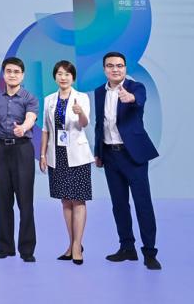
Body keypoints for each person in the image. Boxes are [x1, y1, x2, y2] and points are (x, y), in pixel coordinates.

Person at [94, 51, 161, 270]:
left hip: (133, 155)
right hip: (110, 155)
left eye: (119, 66)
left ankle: (149, 252)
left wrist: (130, 98)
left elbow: (138, 100)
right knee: (119, 205)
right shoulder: (99, 92)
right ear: (104, 69)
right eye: (110, 66)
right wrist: (98, 152)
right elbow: (99, 124)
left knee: (143, 204)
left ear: (125, 68)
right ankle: (127, 248)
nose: (115, 69)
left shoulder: (136, 87)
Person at [0, 56, 39, 262]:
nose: (12, 75)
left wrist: (22, 128)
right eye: (9, 71)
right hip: (1, 150)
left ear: (22, 75)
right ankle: (5, 247)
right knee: (3, 200)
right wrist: (4, 136)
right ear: (3, 74)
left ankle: (27, 250)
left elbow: (31, 118)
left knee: (25, 201)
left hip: (22, 150)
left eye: (16, 72)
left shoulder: (29, 98)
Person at [40, 60, 92, 265]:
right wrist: (42, 155)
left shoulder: (82, 97)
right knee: (65, 201)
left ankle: (78, 246)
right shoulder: (49, 100)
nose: (63, 77)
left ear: (73, 78)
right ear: (55, 77)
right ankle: (71, 245)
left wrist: (80, 113)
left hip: (77, 155)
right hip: (57, 155)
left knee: (78, 200)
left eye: (67, 74)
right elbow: (46, 129)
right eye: (60, 74)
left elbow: (84, 124)